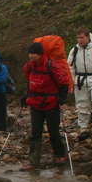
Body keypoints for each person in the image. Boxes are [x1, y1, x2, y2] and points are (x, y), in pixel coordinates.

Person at [20, 42, 70, 170]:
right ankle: (33, 161)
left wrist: (62, 98)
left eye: (34, 54)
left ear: (40, 54)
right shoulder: (29, 67)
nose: (31, 56)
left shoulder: (50, 66)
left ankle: (59, 155)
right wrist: (26, 96)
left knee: (53, 132)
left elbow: (63, 82)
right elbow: (29, 83)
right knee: (35, 133)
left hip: (51, 103)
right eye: (30, 53)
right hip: (35, 103)